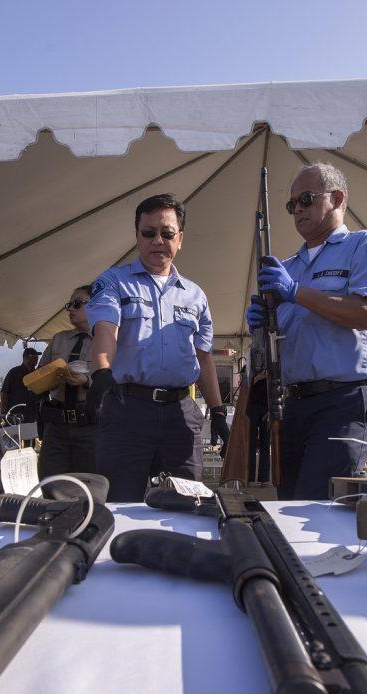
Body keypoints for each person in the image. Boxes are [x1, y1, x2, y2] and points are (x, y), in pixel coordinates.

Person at [245, 163, 367, 500]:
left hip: (343, 401)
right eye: (292, 204)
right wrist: (261, 323)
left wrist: (296, 292)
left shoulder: (363, 245)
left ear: (337, 198)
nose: (298, 209)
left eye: (307, 199)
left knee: (321, 503)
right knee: (290, 507)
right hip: (294, 404)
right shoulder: (288, 267)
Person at [86, 193, 230, 502]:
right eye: (148, 233)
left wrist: (217, 411)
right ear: (137, 235)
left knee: (188, 502)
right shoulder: (112, 282)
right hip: (128, 410)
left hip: (182, 416)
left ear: (180, 238)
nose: (157, 241)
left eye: (167, 233)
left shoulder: (196, 295)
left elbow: (203, 357)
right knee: (120, 503)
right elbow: (105, 329)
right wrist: (101, 370)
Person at [36, 285, 99, 477]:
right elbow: (40, 376)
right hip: (56, 426)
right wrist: (52, 377)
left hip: (91, 426)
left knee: (89, 485)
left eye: (77, 304)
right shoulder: (59, 339)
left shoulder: (107, 342)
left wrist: (86, 380)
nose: (70, 309)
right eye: (69, 304)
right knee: (50, 482)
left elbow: (116, 381)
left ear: (95, 306)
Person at [0, 347, 41, 440]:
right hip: (15, 414)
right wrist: (3, 412)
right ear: (25, 358)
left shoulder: (37, 374)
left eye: (36, 357)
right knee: (15, 440)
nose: (36, 359)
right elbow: (4, 392)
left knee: (30, 440)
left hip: (32, 414)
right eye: (33, 356)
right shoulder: (14, 372)